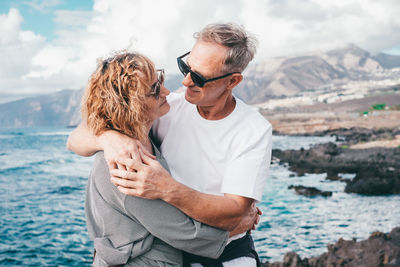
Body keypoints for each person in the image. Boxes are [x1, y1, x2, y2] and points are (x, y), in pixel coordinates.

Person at [68, 23, 272, 266]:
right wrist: (108, 138)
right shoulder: (168, 110)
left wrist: (167, 188)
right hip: (170, 252)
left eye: (198, 77)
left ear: (232, 81)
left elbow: (234, 210)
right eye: (185, 67)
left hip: (225, 256)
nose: (185, 82)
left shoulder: (252, 130)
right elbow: (76, 138)